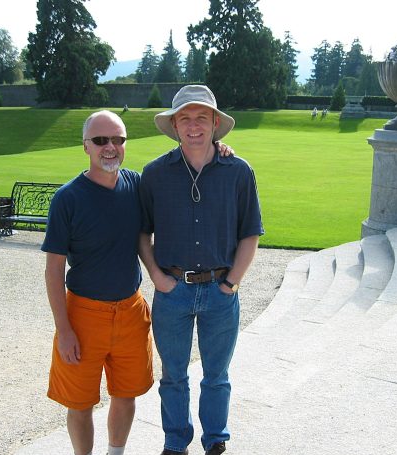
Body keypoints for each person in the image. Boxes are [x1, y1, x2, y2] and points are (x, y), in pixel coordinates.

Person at [138, 85, 264, 455]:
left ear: (214, 124)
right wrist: (157, 278)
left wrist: (231, 283)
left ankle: (215, 440)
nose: (193, 126)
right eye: (185, 119)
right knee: (173, 376)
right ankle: (176, 442)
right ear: (175, 126)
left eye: (201, 118)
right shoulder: (155, 174)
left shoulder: (238, 172)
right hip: (172, 290)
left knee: (217, 376)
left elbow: (250, 233)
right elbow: (142, 233)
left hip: (220, 290)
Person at [41, 110, 154, 455]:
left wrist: (218, 147)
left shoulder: (135, 185)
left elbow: (178, 171)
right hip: (83, 314)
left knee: (126, 393)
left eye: (118, 139)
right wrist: (64, 330)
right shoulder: (68, 198)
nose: (110, 147)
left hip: (131, 309)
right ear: (85, 146)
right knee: (79, 402)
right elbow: (53, 270)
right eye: (101, 140)